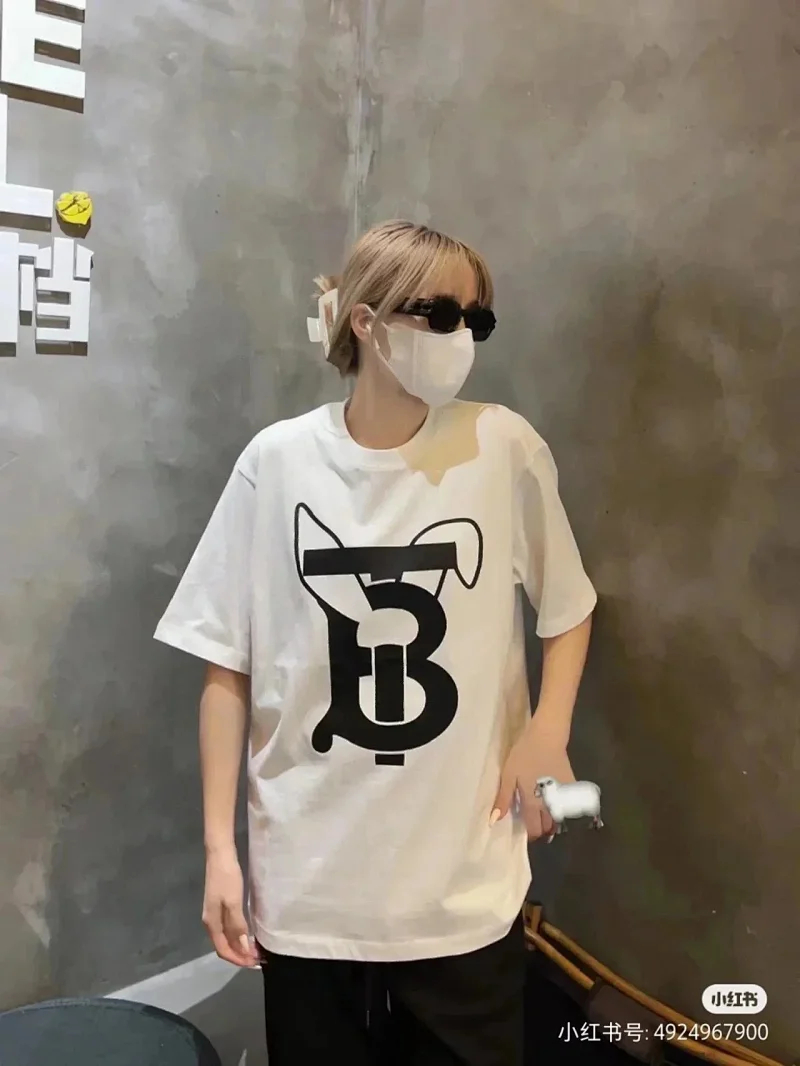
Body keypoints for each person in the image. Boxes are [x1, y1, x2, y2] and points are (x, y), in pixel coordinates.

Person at [154, 220, 597, 1065]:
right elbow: (226, 665)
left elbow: (569, 608)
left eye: (477, 319)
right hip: (309, 888)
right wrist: (219, 852)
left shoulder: (502, 447)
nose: (462, 338)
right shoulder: (276, 462)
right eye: (442, 315)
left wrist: (548, 729)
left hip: (463, 887)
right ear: (365, 320)